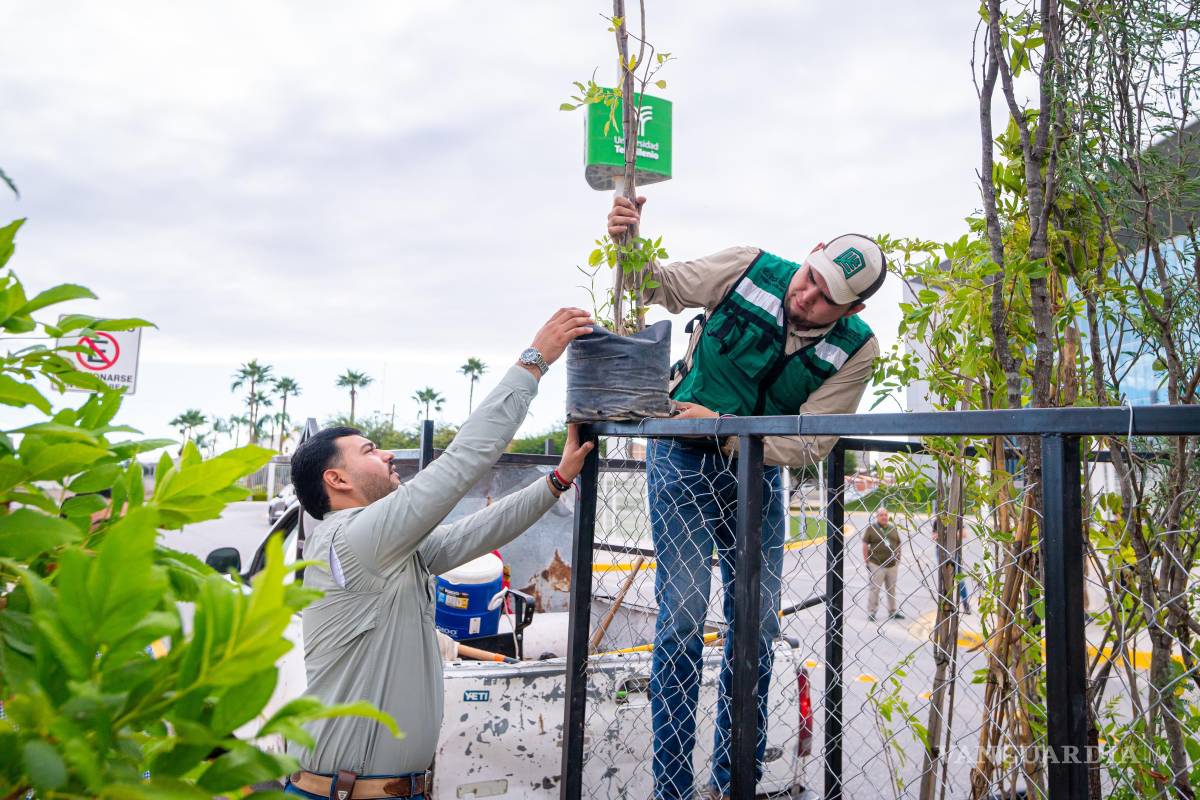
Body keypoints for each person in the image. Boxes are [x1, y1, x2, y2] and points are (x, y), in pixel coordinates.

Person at [607, 197, 886, 800]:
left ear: (853, 308)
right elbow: (653, 285)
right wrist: (629, 241)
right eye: (810, 277)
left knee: (755, 628)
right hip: (681, 458)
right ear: (809, 254)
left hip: (756, 477)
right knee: (681, 619)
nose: (806, 296)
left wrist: (724, 426)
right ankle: (672, 790)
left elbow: (809, 442)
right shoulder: (748, 265)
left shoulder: (857, 348)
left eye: (826, 297)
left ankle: (736, 781)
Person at [283, 308, 594, 800]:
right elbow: (460, 464)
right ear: (336, 479)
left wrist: (555, 481)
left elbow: (474, 531)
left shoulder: (389, 549)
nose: (386, 454)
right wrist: (534, 361)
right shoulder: (353, 538)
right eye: (369, 450)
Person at [862, 508, 903, 621]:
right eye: (881, 515)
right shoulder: (871, 529)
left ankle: (893, 611)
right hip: (876, 563)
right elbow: (865, 544)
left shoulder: (892, 528)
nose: (884, 517)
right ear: (877, 517)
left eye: (886, 515)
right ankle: (872, 612)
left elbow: (898, 543)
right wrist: (866, 560)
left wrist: (898, 557)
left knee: (892, 588)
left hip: (892, 564)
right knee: (875, 588)